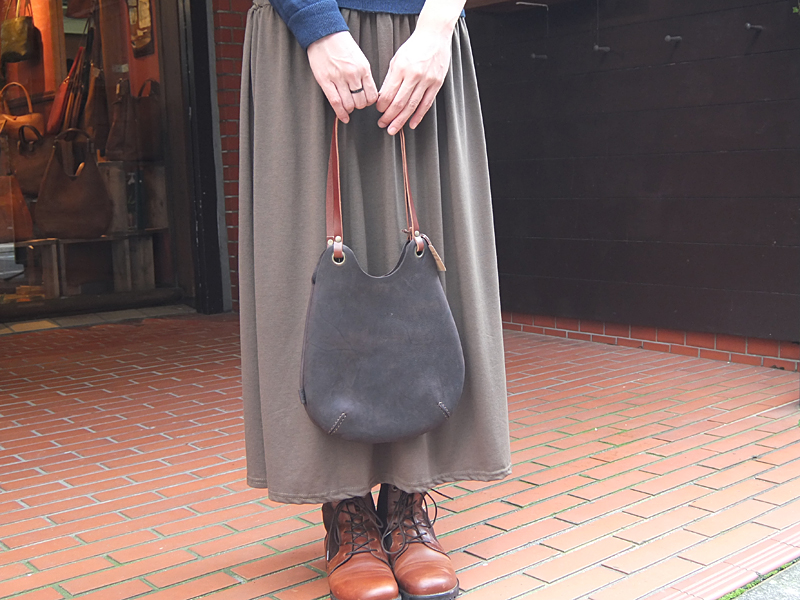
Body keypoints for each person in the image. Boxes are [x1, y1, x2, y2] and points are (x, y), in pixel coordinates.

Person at [238, 0, 511, 598]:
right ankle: (347, 514)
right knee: (309, 274)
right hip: (306, 40)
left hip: (420, 35)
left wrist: (436, 30)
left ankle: (408, 504)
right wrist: (316, 23)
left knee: (429, 270)